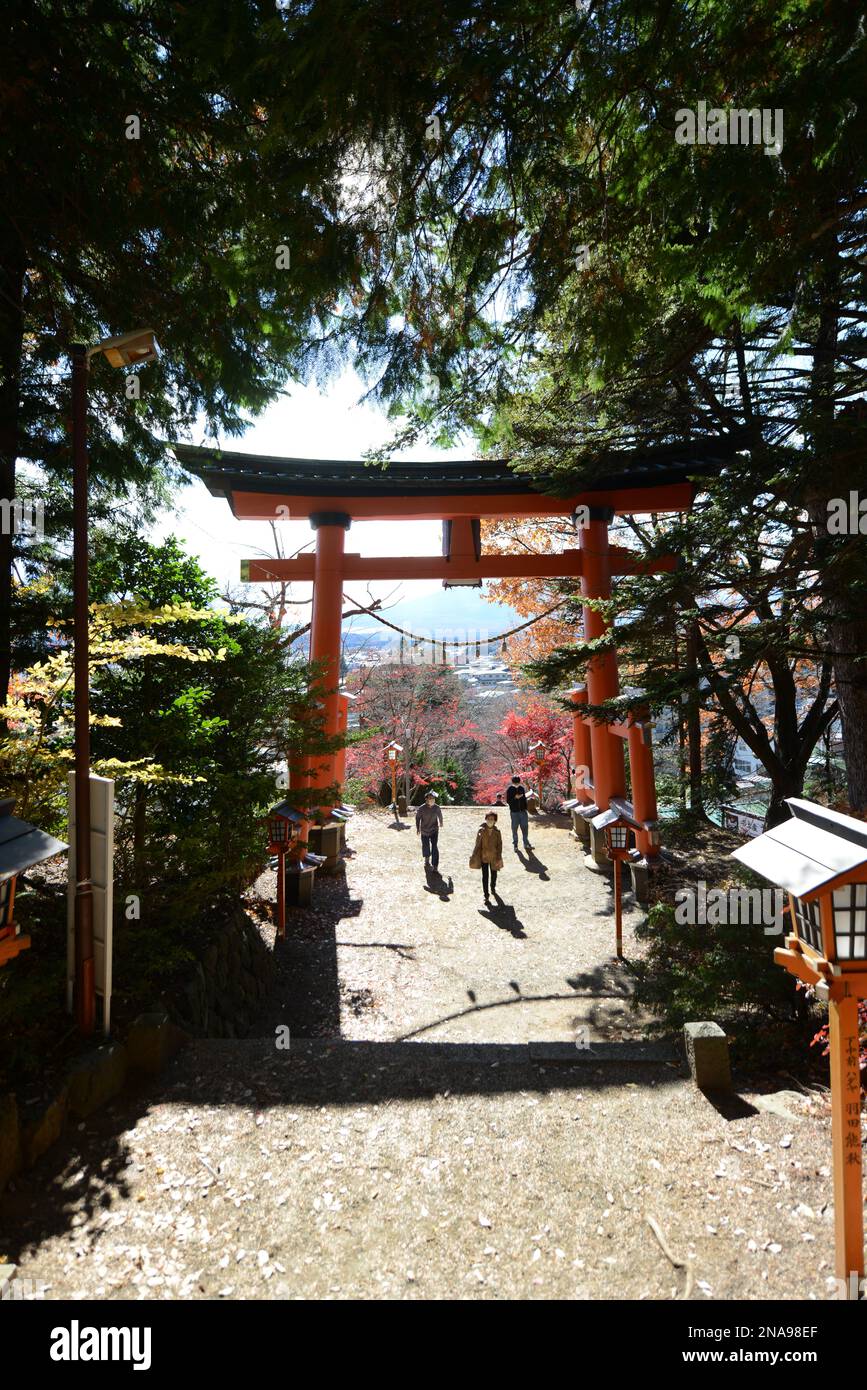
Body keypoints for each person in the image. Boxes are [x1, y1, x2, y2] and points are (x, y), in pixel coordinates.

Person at [470, 811, 504, 902]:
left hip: (494, 857)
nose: (490, 821)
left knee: (494, 875)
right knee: (485, 876)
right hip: (483, 857)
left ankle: (493, 887)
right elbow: (477, 844)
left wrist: (499, 856)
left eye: (492, 819)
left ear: (495, 821)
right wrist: (475, 855)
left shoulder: (497, 832)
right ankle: (486, 894)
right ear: (486, 819)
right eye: (488, 819)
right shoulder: (481, 831)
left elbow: (499, 845)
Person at [415, 792, 443, 869]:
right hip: (424, 830)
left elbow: (440, 815)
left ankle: (435, 865)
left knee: (434, 847)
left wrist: (441, 822)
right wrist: (418, 828)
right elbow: (417, 818)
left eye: (433, 798)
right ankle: (427, 859)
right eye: (430, 798)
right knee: (426, 846)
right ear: (426, 799)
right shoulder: (421, 808)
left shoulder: (437, 807)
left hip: (434, 830)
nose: (432, 800)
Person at [506, 774, 532, 851]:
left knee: (525, 828)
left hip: (523, 812)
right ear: (513, 782)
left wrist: (526, 808)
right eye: (515, 783)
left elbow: (524, 799)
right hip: (514, 812)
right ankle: (515, 845)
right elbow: (508, 801)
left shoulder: (521, 788)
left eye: (518, 783)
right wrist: (515, 798)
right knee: (514, 829)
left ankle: (526, 844)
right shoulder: (510, 789)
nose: (517, 784)